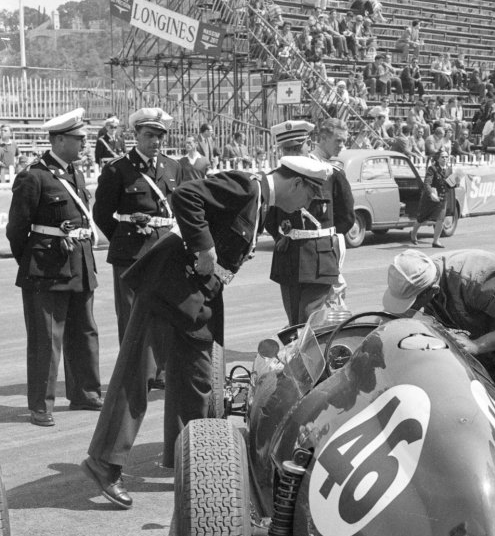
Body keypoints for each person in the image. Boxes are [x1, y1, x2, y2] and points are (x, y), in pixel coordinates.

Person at [81, 155, 332, 508]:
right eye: (309, 195)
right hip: (169, 287)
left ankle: (192, 462)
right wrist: (204, 246)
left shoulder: (259, 201)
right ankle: (103, 463)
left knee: (196, 380)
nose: (307, 204)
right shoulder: (245, 186)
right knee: (137, 376)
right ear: (295, 184)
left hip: (197, 297)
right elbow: (185, 195)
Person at [382, 249, 495, 441]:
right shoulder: (417, 275)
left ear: (432, 291)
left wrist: (477, 345)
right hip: (494, 316)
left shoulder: (475, 280)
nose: (411, 308)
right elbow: (398, 318)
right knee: (485, 387)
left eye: (413, 302)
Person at [6, 108, 102, 427]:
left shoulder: (73, 172)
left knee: (84, 331)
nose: (84, 143)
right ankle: (40, 405)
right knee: (47, 339)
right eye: (79, 139)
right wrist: (33, 262)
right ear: (59, 140)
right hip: (46, 269)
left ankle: (85, 392)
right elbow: (17, 230)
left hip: (79, 264)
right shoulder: (33, 176)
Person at [93, 107, 184, 389]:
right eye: (149, 135)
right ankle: (134, 373)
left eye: (160, 136)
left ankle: (162, 371)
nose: (155, 141)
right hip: (131, 252)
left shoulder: (172, 167)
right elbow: (101, 213)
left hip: (166, 251)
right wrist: (123, 238)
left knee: (164, 311)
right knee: (132, 315)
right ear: (135, 135)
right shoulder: (118, 168)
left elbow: (180, 209)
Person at [266, 118, 355, 327]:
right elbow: (347, 217)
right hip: (309, 255)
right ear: (307, 145)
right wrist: (323, 238)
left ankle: (306, 357)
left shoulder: (330, 175)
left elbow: (270, 221)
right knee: (300, 320)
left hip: (300, 255)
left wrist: (287, 235)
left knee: (304, 319)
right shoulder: (329, 175)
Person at [409, 148, 456, 248]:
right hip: (429, 199)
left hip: (442, 199)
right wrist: (431, 194)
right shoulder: (432, 169)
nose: (444, 159)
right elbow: (427, 183)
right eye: (442, 157)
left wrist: (456, 182)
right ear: (438, 159)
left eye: (446, 157)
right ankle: (413, 233)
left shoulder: (449, 169)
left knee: (440, 219)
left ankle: (436, 241)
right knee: (421, 219)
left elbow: (450, 185)